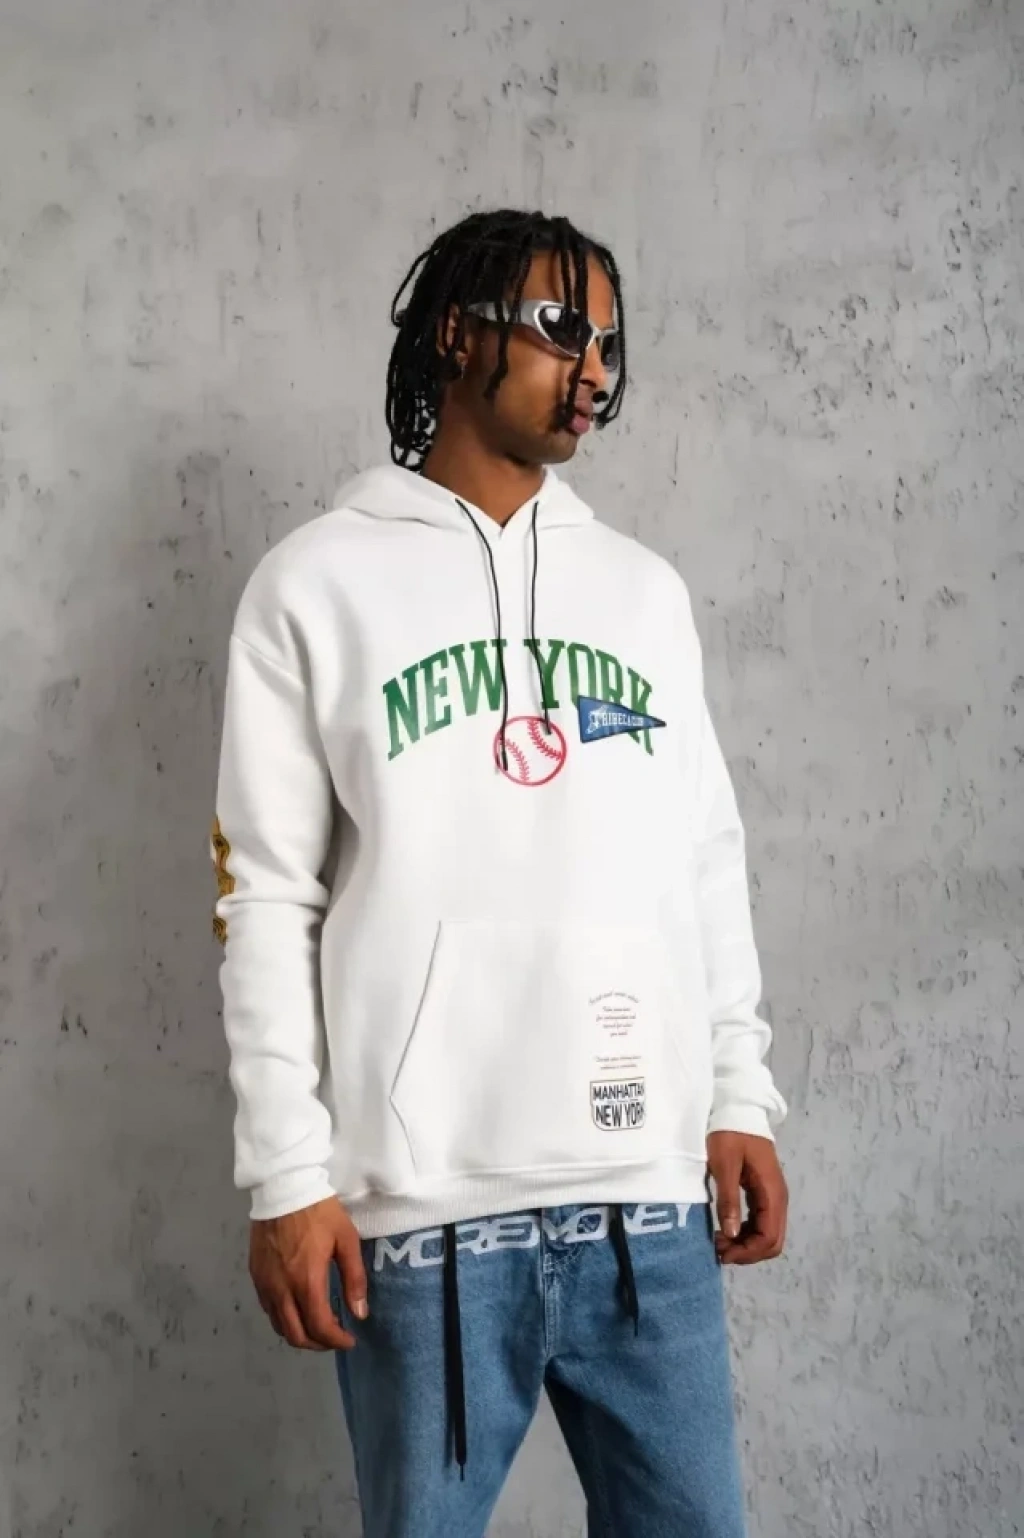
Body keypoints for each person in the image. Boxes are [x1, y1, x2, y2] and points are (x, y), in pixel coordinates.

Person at [210, 208, 789, 1538]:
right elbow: (267, 895)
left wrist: (738, 1094)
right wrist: (287, 1174)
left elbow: (705, 857)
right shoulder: (314, 586)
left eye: (610, 343)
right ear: (456, 335)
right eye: (561, 328)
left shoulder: (642, 593)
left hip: (649, 1202)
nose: (593, 369)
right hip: (426, 1223)